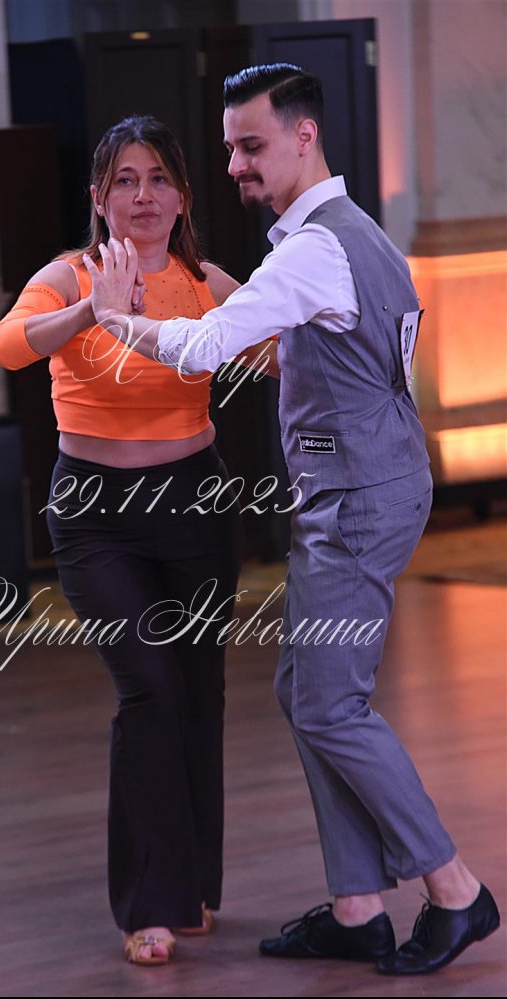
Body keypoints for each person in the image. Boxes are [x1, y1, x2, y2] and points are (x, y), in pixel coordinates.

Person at [81, 65, 501, 975]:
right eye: (231, 148)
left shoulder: (313, 251)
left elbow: (203, 347)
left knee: (331, 703)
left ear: (304, 136)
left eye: (251, 146)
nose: (235, 164)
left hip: (354, 500)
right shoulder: (359, 234)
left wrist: (117, 319)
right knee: (304, 691)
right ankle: (356, 906)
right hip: (371, 485)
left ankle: (455, 887)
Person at [0, 115, 280, 966]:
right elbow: (7, 347)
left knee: (197, 690)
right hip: (94, 514)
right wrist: (96, 310)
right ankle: (148, 902)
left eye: (158, 178)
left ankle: (191, 888)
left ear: (183, 196)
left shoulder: (206, 281)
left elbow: (272, 353)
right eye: (124, 179)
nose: (143, 195)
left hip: (195, 502)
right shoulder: (68, 276)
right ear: (99, 197)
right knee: (148, 688)